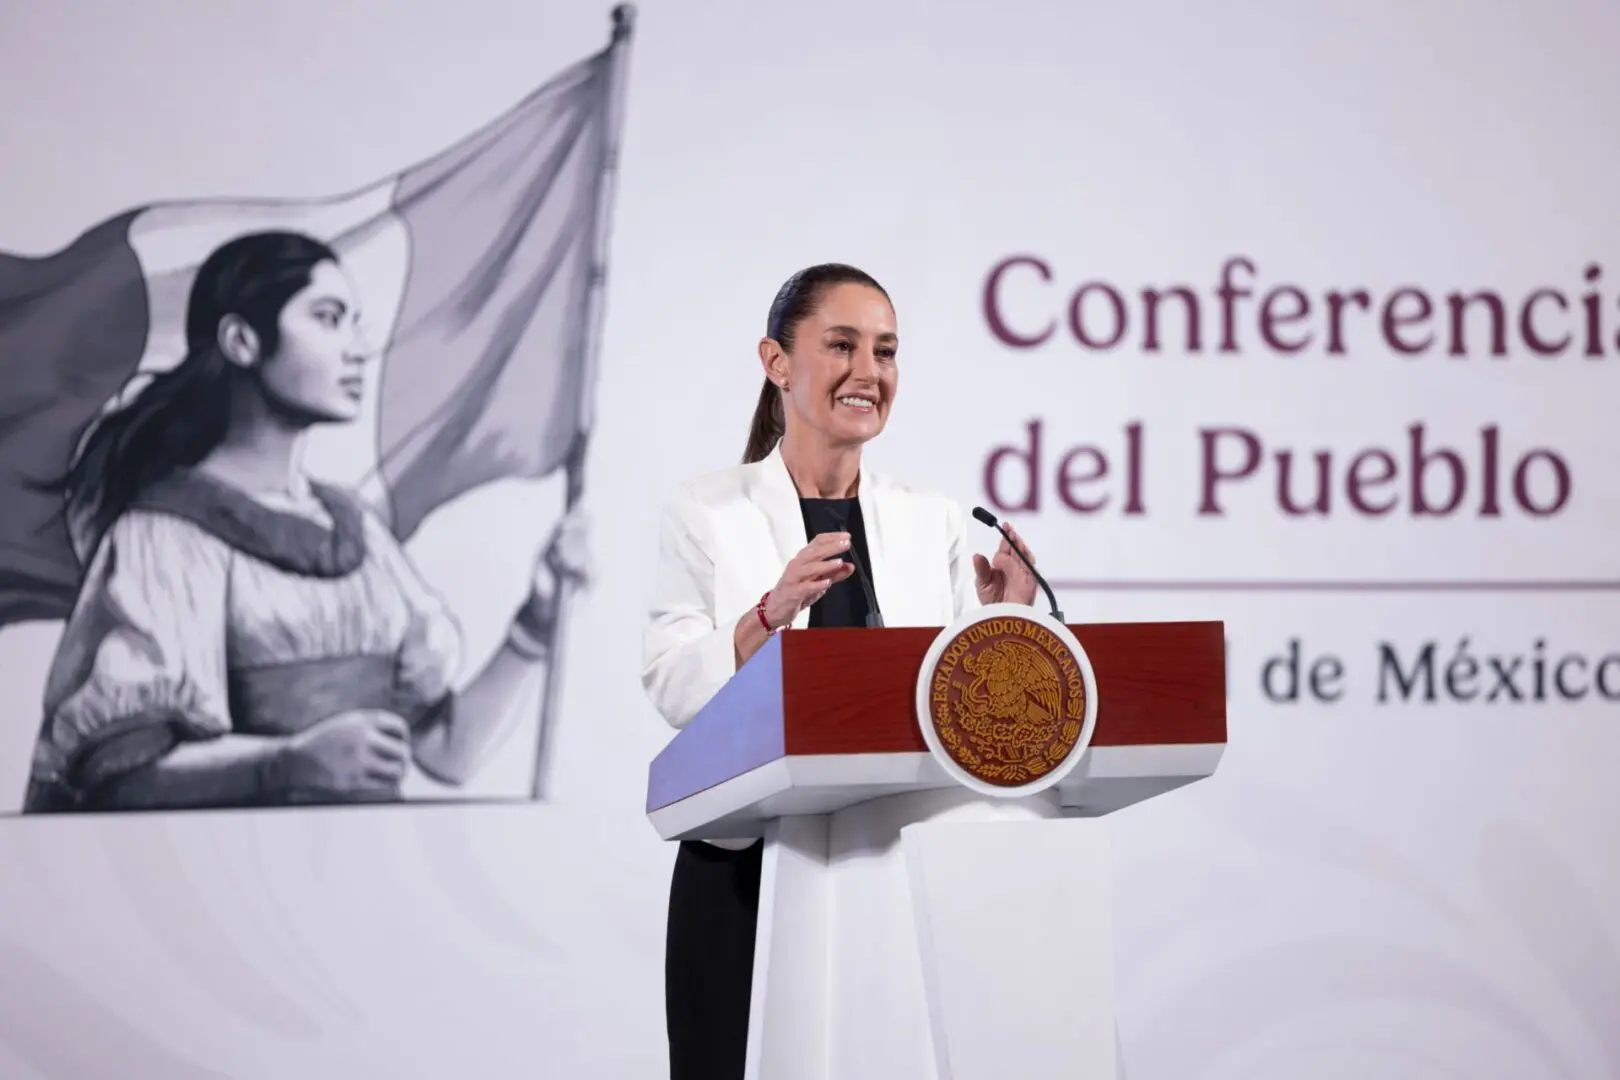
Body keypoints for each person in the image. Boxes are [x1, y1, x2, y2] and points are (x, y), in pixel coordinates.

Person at [24, 229, 587, 812]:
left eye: (353, 321)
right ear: (242, 341)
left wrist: (536, 622)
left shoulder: (359, 533)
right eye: (328, 317)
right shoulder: (164, 536)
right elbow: (120, 778)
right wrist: (286, 762)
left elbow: (449, 752)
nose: (356, 347)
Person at [640, 263, 1042, 1079]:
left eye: (886, 352)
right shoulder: (706, 510)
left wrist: (1006, 624)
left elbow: (960, 714)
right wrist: (768, 613)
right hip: (743, 866)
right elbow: (672, 684)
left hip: (890, 863)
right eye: (843, 346)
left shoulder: (932, 520)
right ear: (777, 362)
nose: (870, 372)